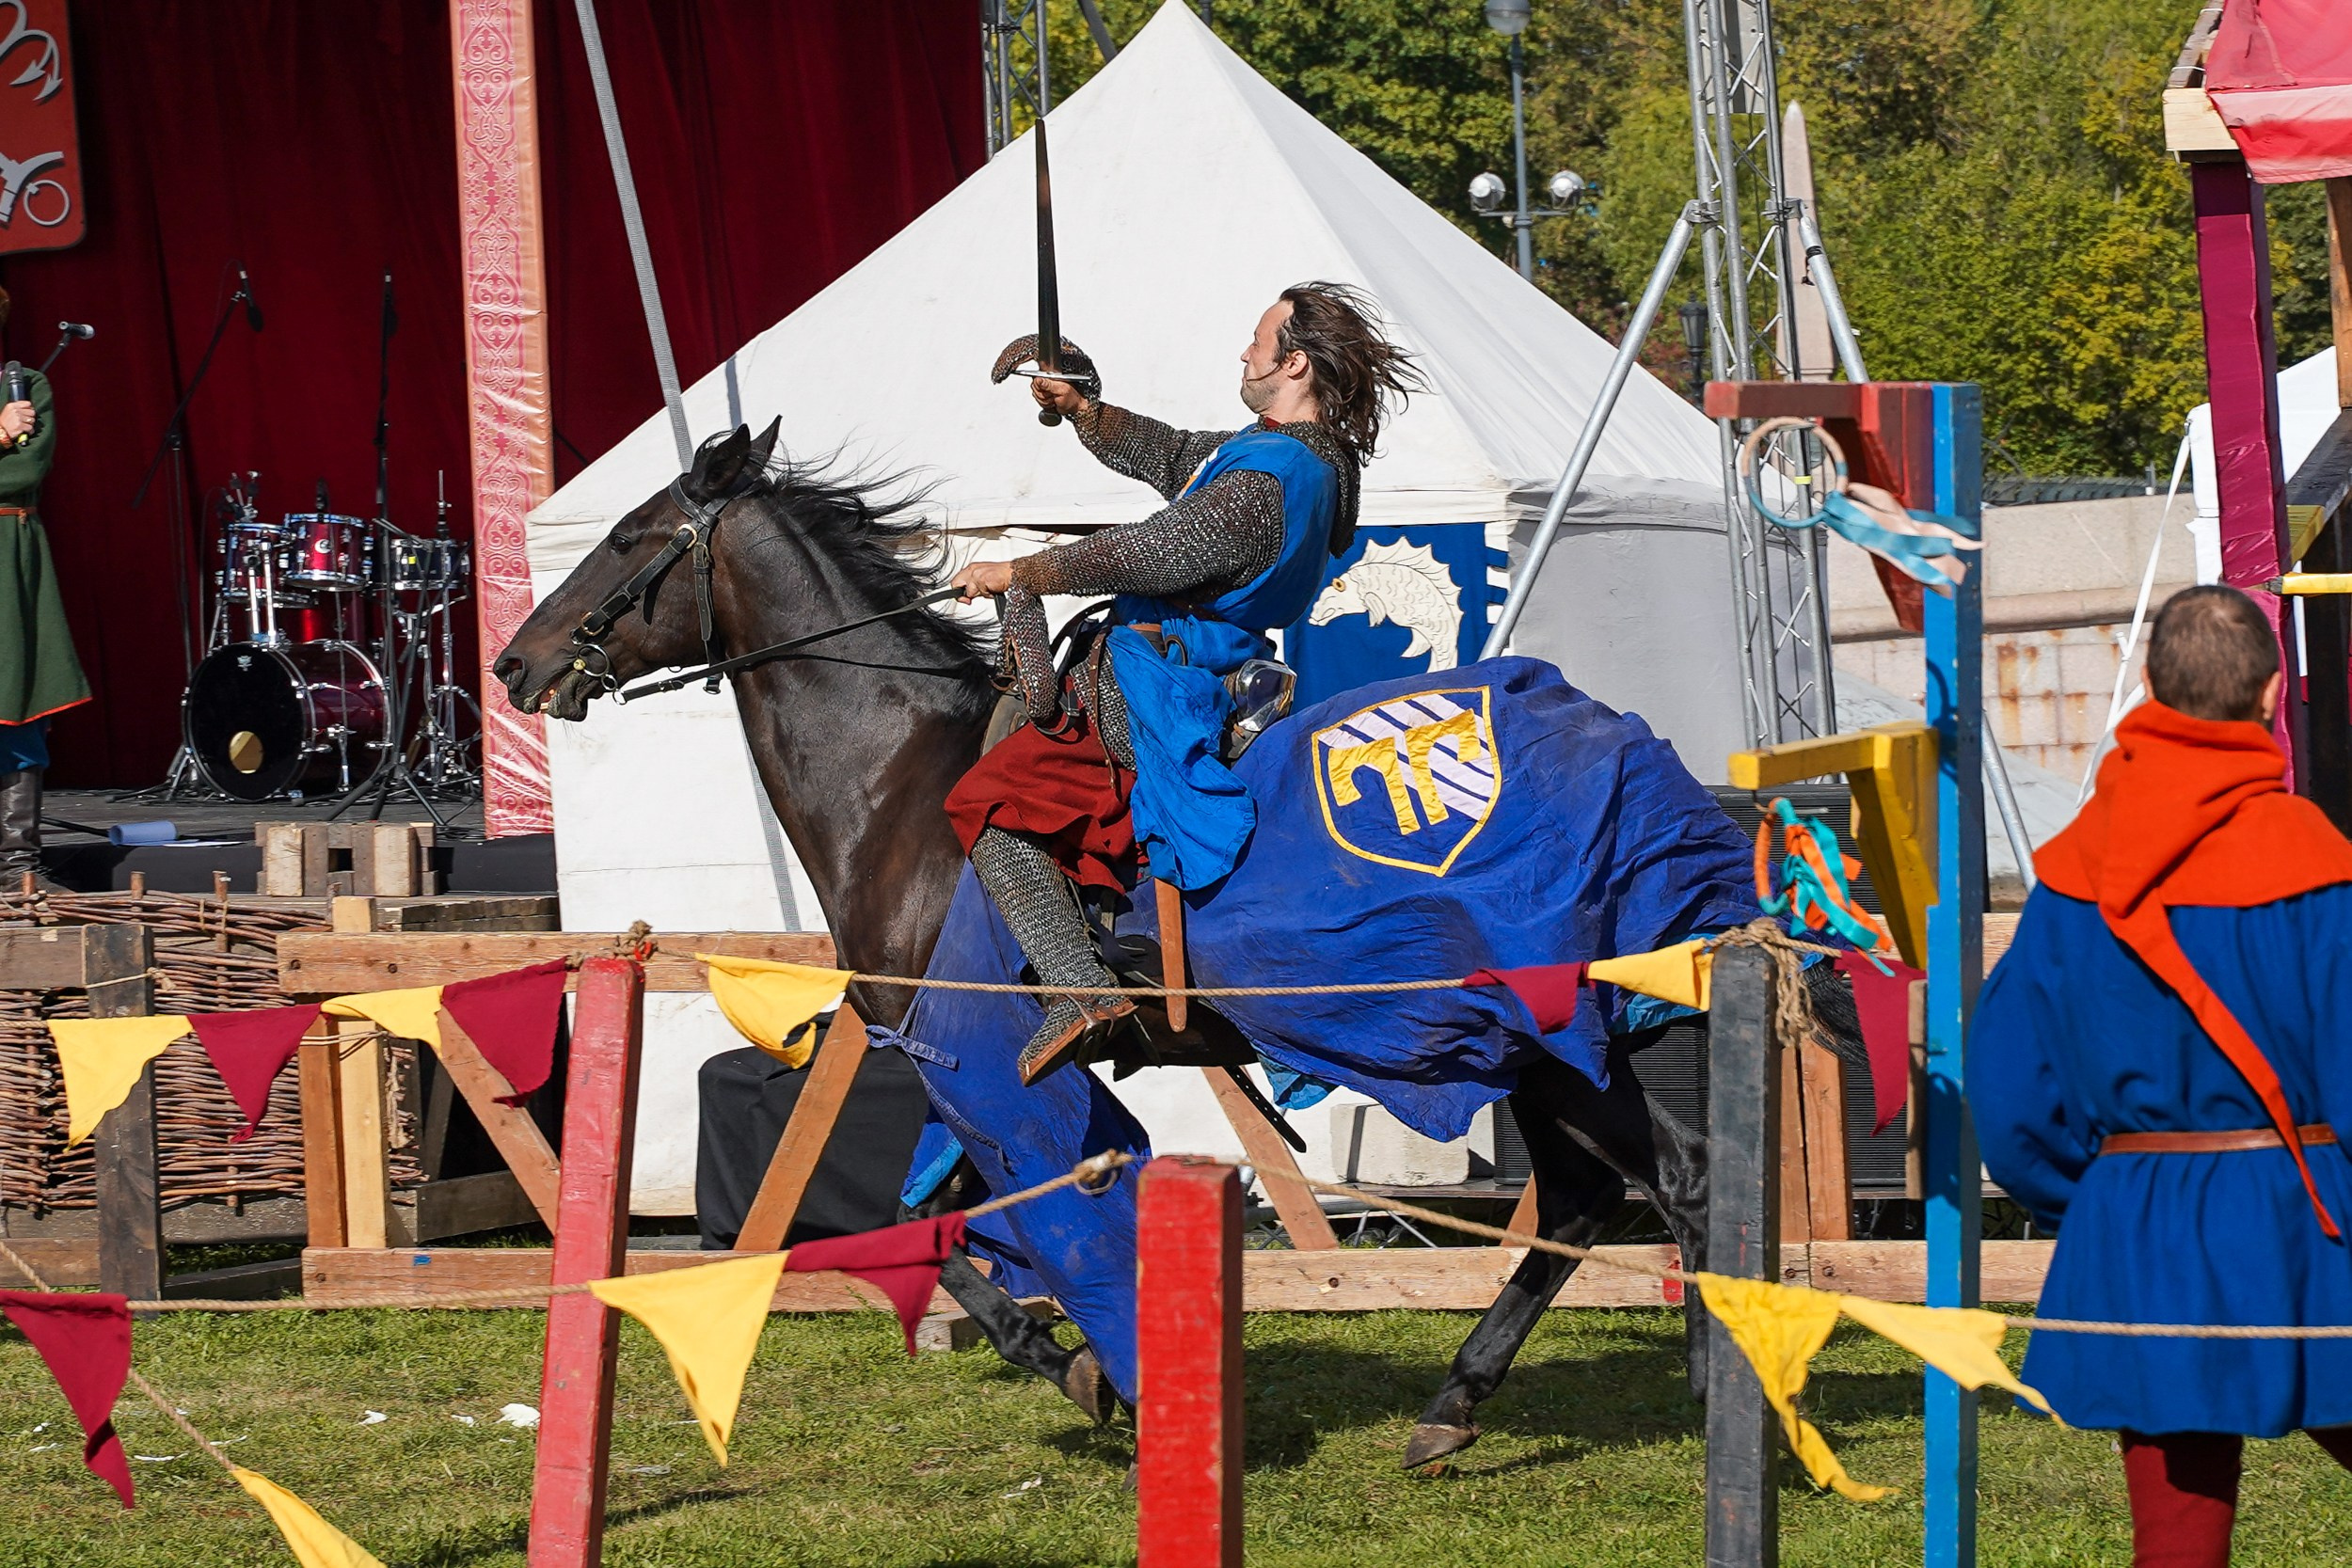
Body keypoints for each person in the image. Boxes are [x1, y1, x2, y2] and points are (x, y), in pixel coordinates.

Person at [945, 280, 1420, 1083]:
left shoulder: (1272, 478)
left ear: (1294, 363)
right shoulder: (1284, 453)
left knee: (989, 803)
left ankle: (1080, 990)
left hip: (1162, 681)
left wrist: (1020, 572)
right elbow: (1174, 458)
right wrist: (1085, 408)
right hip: (1191, 662)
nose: (1244, 353)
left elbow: (1153, 554)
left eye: (1259, 342)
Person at [1969, 584, 2352, 1567]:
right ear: (2272, 694)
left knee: (2177, 1542)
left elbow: (2012, 1101)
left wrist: (2110, 1198)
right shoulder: (2320, 863)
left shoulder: (2071, 874)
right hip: (2307, 1217)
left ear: (2148, 685)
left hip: (2140, 1222)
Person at [0, 285, 84, 888]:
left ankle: (16, 866)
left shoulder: (25, 386)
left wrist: (12, 435)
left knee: (18, 697)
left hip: (10, 556)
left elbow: (27, 470)